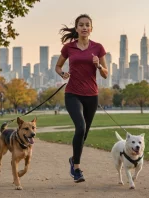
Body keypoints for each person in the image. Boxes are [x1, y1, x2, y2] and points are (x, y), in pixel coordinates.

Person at [55, 14, 108, 183]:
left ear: (91, 29)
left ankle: (73, 160)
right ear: (76, 28)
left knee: (83, 133)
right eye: (81, 25)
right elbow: (58, 66)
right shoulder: (68, 48)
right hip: (72, 94)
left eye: (87, 25)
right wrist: (63, 73)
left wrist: (98, 65)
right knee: (80, 126)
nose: (84, 27)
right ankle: (76, 168)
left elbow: (105, 74)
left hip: (92, 96)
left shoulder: (98, 48)